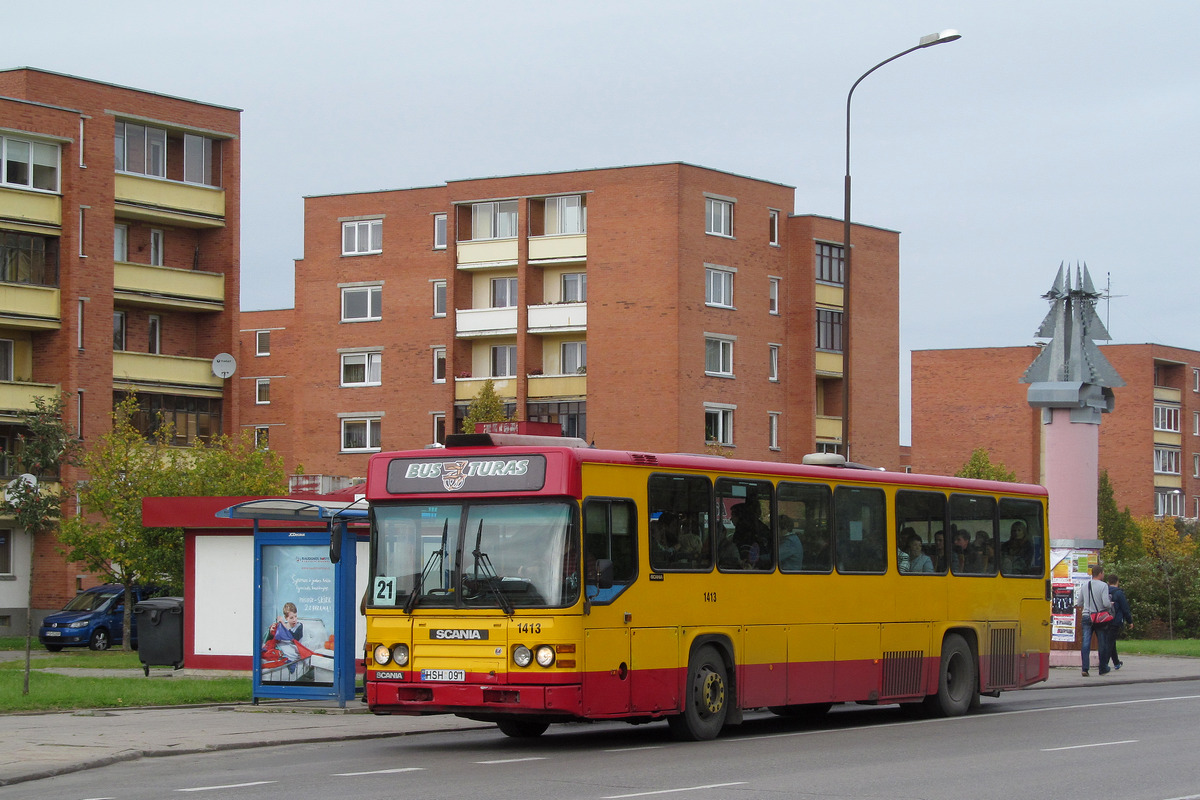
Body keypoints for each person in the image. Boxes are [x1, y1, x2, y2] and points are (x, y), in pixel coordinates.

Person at [1075, 565, 1113, 677]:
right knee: (1102, 642)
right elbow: (1106, 603)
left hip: (1087, 616)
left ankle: (1085, 668)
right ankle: (1103, 667)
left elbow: (1080, 603)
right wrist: (1110, 605)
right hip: (1099, 617)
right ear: (1100, 573)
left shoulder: (1085, 585)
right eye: (1103, 573)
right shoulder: (1104, 586)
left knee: (1086, 642)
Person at [1106, 573, 1133, 669]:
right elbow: (1125, 608)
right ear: (1117, 582)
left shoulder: (1105, 591)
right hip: (1115, 620)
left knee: (1111, 641)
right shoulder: (1119, 593)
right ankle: (1104, 664)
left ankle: (1116, 662)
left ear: (1108, 582)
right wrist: (1130, 621)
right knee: (1110, 642)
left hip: (1105, 619)